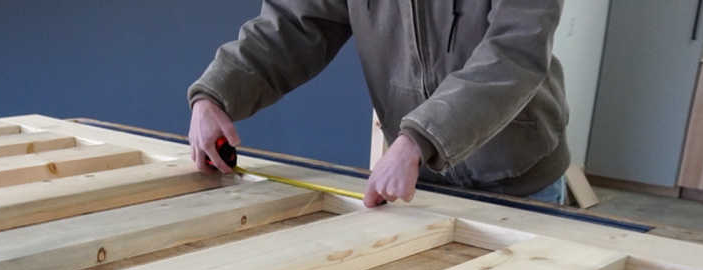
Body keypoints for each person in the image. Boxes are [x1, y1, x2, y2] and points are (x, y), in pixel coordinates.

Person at [187, 0, 569, 208]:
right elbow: (292, 25)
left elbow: (514, 54)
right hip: (419, 183)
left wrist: (421, 138)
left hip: (517, 178)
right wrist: (216, 93)